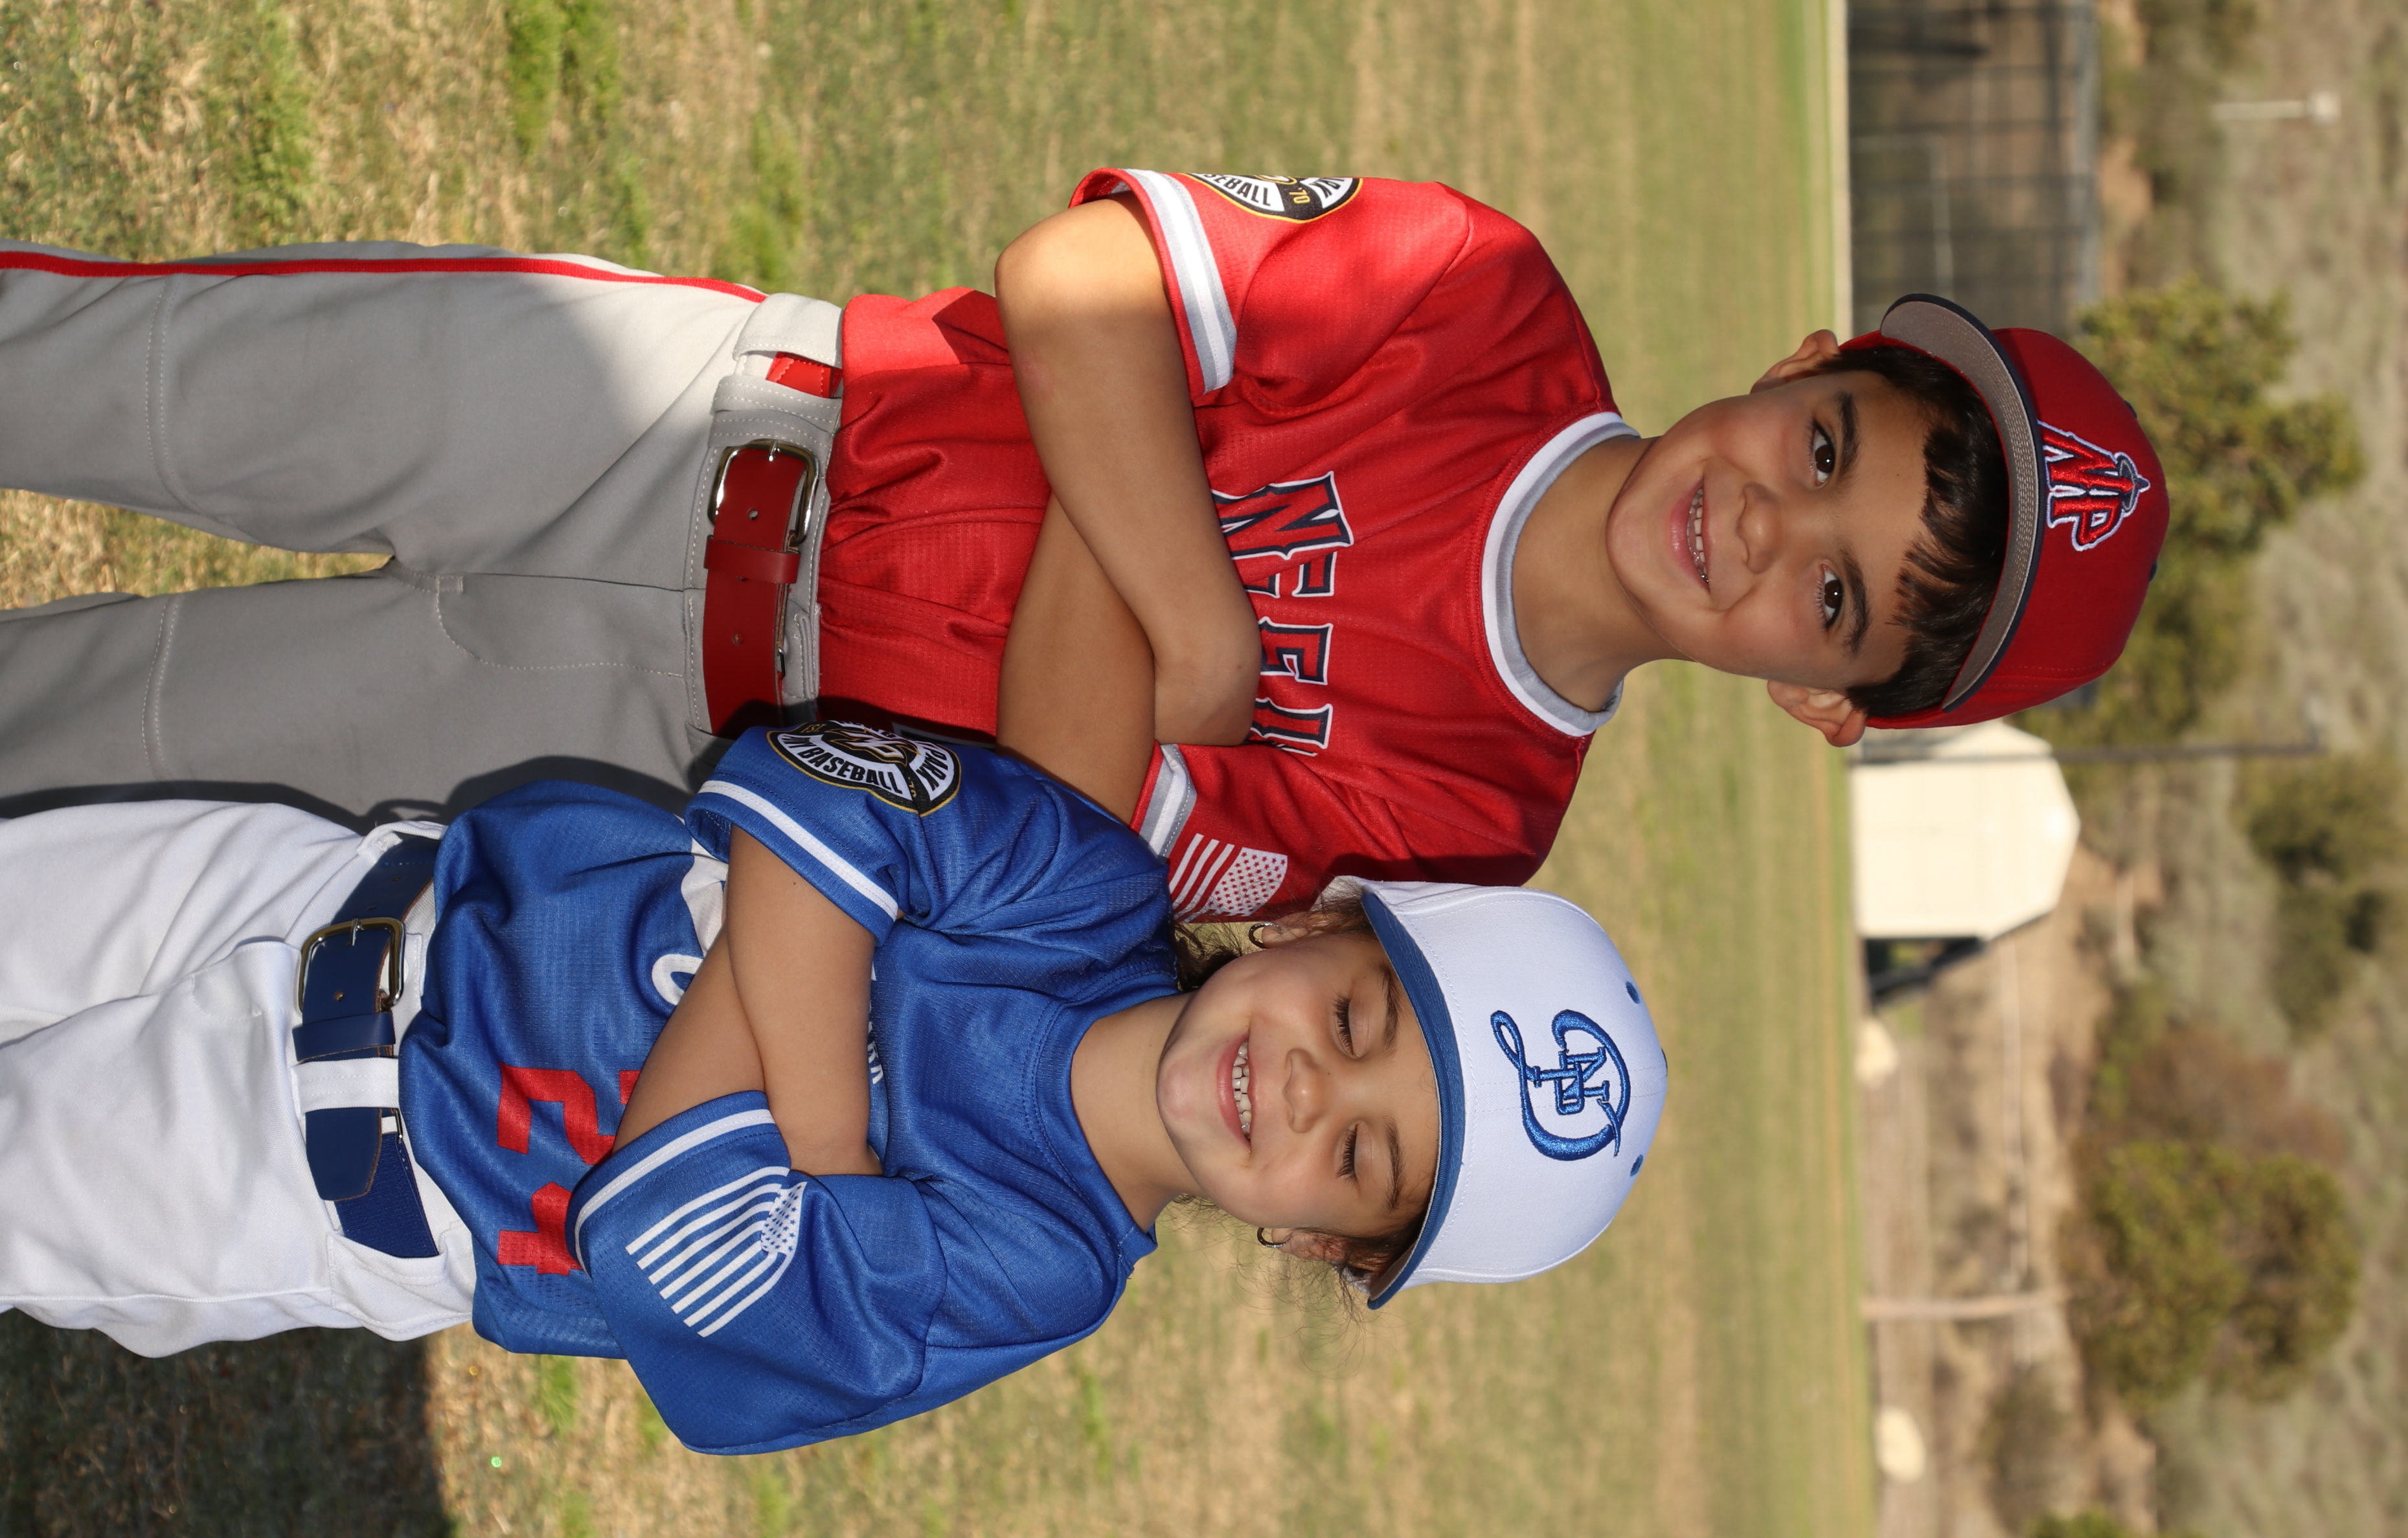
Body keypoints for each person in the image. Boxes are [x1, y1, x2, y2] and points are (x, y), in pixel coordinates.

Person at [0, 175, 2168, 915]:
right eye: (1823, 444)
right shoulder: (1477, 300)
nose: (1764, 518)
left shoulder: (1469, 822)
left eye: (1831, 597)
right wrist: (1189, 618)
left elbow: (1050, 816)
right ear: (1799, 358)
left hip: (652, 751)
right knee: (99, 370)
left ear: (1818, 703)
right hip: (707, 413)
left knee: (95, 770)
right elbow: (1073, 285)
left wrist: (1132, 480)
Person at [0, 721, 1667, 1455]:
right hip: (348, 888)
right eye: (1358, 1015)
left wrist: (807, 908)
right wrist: (824, 1137)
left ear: (1314, 1239)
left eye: (1360, 1158)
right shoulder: (1086, 889)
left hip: (318, 1166)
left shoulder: (1036, 1265)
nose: (1304, 1088)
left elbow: (670, 1245)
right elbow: (807, 771)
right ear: (1309, 924)